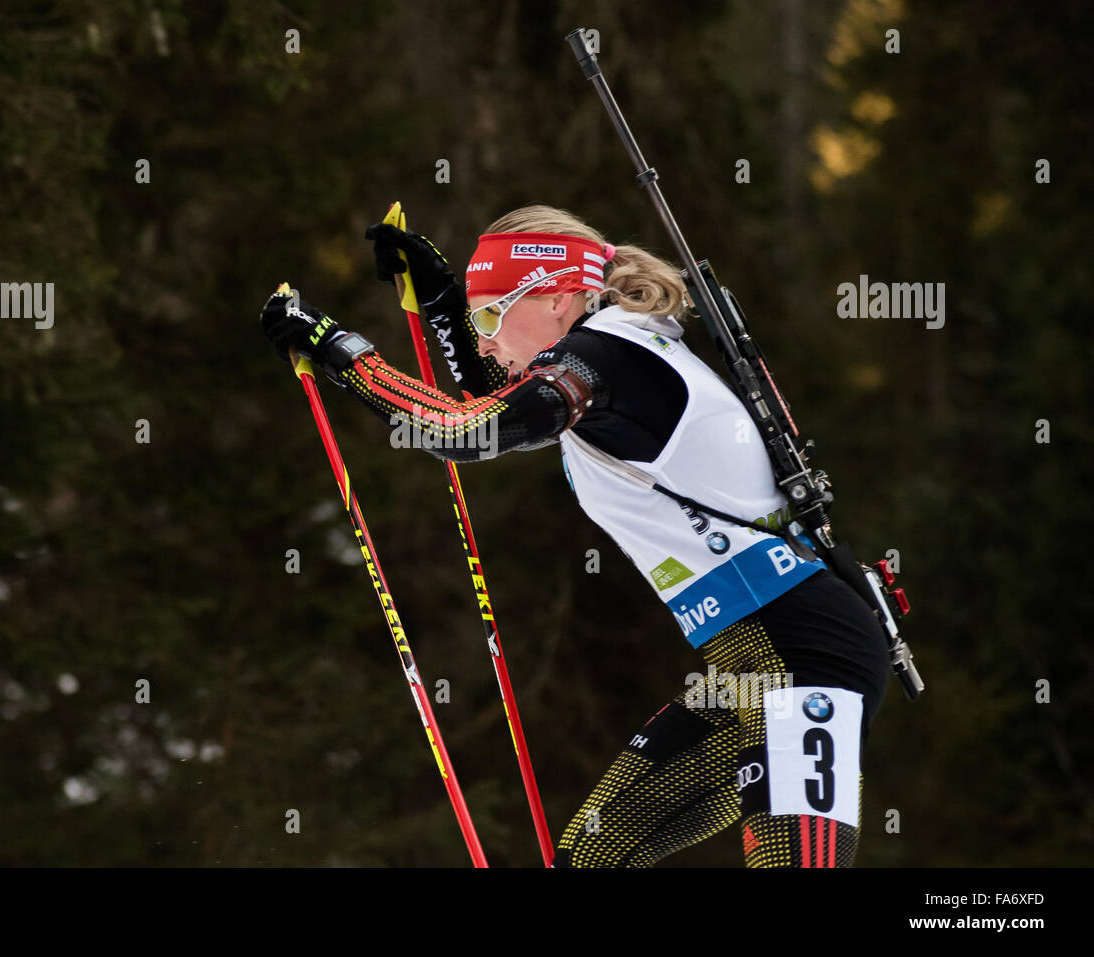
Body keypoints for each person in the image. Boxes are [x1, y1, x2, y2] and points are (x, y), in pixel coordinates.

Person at [259, 204, 890, 868]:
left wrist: (341, 351)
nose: (487, 343)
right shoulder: (606, 354)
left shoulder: (609, 353)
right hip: (746, 661)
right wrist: (443, 303)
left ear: (558, 297)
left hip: (805, 650)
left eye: (491, 317)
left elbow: (466, 431)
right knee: (594, 855)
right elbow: (493, 402)